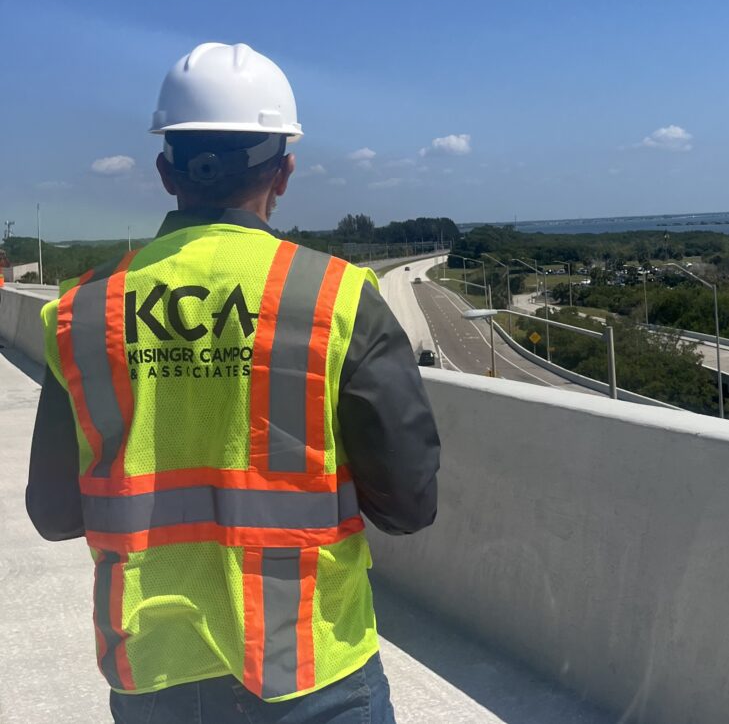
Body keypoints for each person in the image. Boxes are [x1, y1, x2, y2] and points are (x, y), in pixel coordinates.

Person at [26, 42, 440, 723]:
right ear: (285, 170)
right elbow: (409, 505)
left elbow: (55, 512)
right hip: (314, 671)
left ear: (166, 172)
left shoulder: (82, 310)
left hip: (155, 674)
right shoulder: (335, 298)